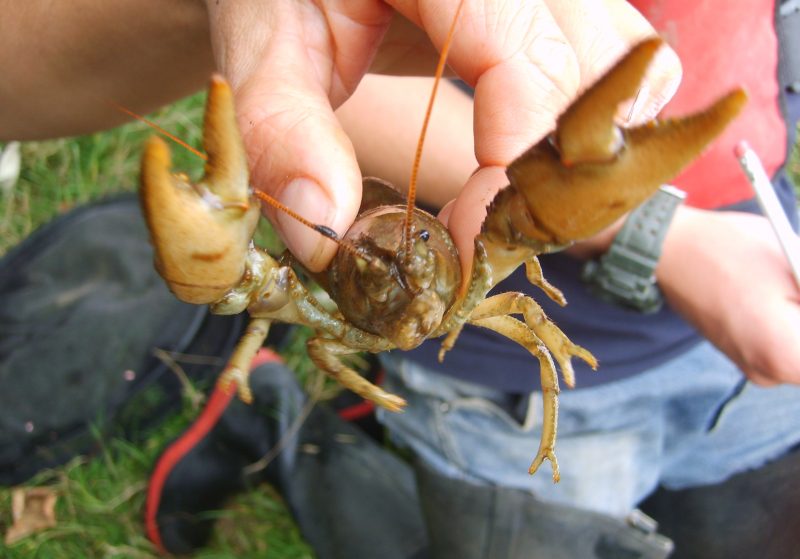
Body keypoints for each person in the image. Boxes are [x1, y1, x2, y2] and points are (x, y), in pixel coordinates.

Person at [3, 1, 799, 557]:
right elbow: (265, 292)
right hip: (493, 401)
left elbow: (525, 303)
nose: (399, 276)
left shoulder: (490, 270)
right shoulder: (338, 281)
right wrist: (663, 238)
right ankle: (299, 431)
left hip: (745, 311)